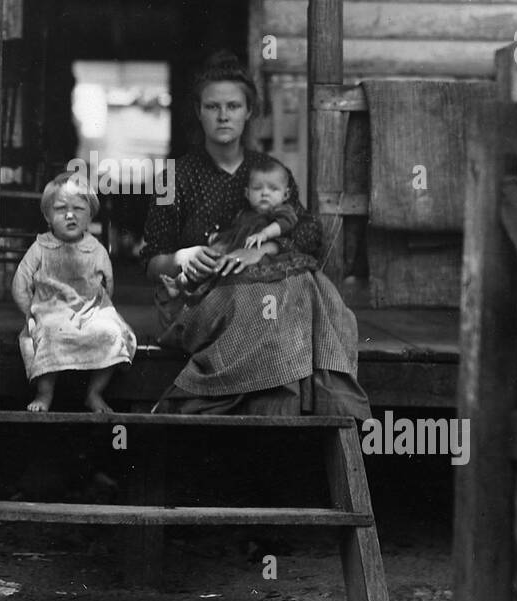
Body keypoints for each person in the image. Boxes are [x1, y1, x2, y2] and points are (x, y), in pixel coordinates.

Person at [142, 53, 370, 418]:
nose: (223, 115)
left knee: (301, 286)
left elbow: (308, 230)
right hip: (204, 297)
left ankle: (271, 407)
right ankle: (282, 407)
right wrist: (182, 257)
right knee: (282, 302)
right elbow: (153, 262)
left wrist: (264, 248)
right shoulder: (174, 177)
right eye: (212, 106)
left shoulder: (265, 172)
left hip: (262, 293)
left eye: (233, 105)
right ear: (198, 111)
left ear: (249, 112)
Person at [13, 171, 137, 413]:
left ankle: (94, 393)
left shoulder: (95, 249)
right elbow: (20, 282)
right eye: (60, 209)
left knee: (111, 332)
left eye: (79, 209)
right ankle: (44, 393)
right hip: (51, 310)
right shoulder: (41, 247)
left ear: (90, 214)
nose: (70, 215)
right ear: (48, 217)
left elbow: (108, 283)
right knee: (48, 334)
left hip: (90, 309)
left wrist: (101, 309)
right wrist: (28, 313)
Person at [156, 155, 298, 310]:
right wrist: (219, 237)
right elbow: (234, 232)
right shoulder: (245, 214)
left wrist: (264, 234)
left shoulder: (281, 211)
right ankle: (179, 283)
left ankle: (186, 289)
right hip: (230, 251)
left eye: (273, 189)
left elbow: (286, 223)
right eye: (258, 188)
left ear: (286, 194)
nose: (265, 193)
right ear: (247, 193)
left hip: (254, 260)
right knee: (208, 262)